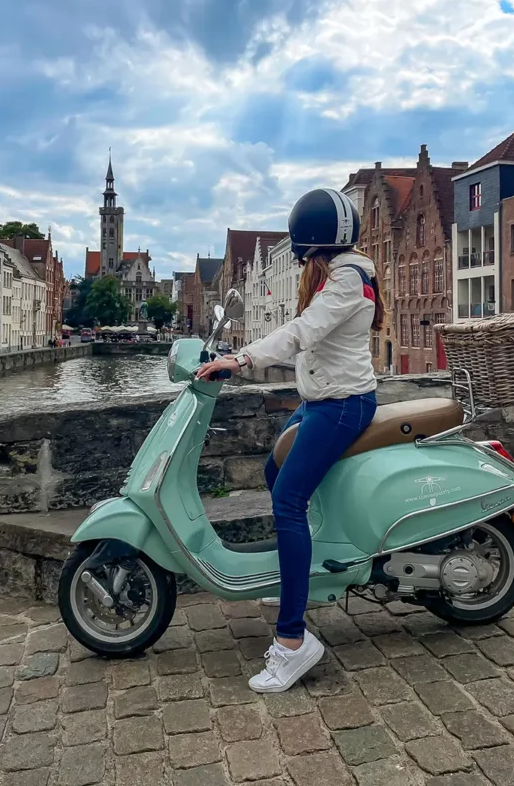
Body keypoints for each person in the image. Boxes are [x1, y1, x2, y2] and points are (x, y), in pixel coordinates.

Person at [197, 188, 383, 694]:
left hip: (341, 404)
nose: (303, 263)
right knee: (276, 474)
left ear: (315, 247)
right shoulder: (342, 273)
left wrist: (241, 360)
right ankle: (304, 579)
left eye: (304, 254)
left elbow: (302, 331)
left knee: (287, 500)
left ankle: (293, 641)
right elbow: (299, 330)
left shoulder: (348, 280)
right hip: (322, 398)